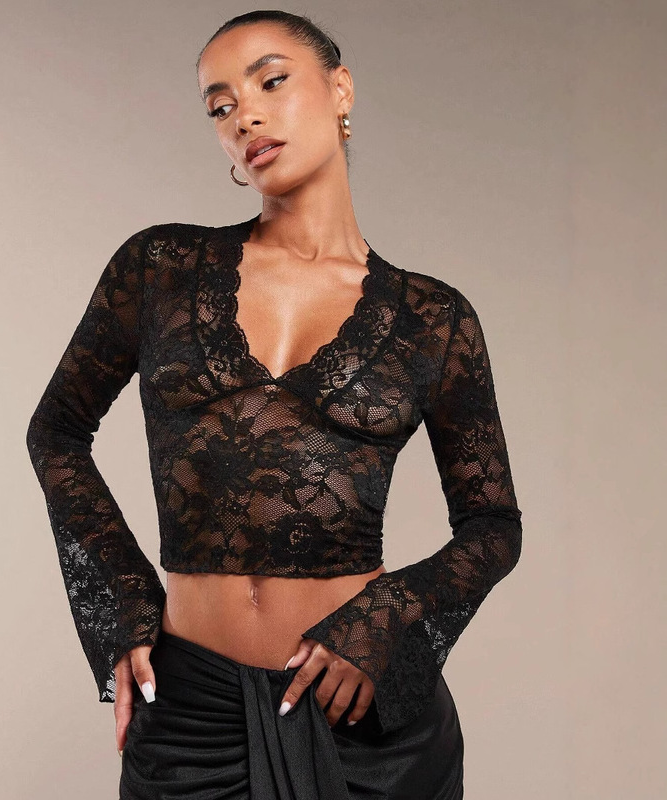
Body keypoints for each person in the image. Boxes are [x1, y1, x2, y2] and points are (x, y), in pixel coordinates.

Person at [26, 9, 523, 799]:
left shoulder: (434, 317)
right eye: (220, 106)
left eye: (271, 81)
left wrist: (384, 618)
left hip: (364, 721)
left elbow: (494, 525)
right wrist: (125, 608)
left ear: (340, 89)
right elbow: (56, 431)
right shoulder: (160, 267)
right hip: (192, 717)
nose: (245, 117)